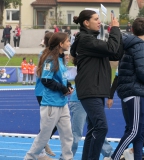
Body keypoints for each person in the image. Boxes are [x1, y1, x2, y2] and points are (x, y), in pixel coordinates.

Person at [104, 17, 144, 160]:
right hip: (135, 93)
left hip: (138, 90)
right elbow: (142, 71)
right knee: (134, 131)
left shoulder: (129, 44)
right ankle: (114, 158)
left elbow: (136, 70)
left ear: (132, 29)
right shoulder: (140, 46)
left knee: (140, 133)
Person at [72, 10, 123, 160]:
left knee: (94, 128)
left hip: (96, 89)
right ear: (86, 23)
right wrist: (115, 30)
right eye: (96, 19)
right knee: (101, 127)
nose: (99, 21)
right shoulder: (85, 39)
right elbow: (111, 48)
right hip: (90, 89)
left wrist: (117, 34)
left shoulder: (92, 39)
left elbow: (115, 54)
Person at [24, 32, 73, 160]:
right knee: (44, 136)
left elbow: (62, 77)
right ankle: (29, 157)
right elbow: (46, 80)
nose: (69, 43)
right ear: (61, 44)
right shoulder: (50, 59)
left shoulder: (61, 59)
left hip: (62, 103)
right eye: (68, 41)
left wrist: (68, 85)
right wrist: (62, 89)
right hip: (51, 104)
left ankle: (67, 158)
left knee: (68, 134)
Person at [34, 32, 58, 158]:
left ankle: (43, 143)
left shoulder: (53, 55)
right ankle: (39, 149)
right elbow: (45, 76)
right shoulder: (46, 56)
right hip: (43, 92)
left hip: (47, 91)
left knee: (53, 122)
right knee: (49, 122)